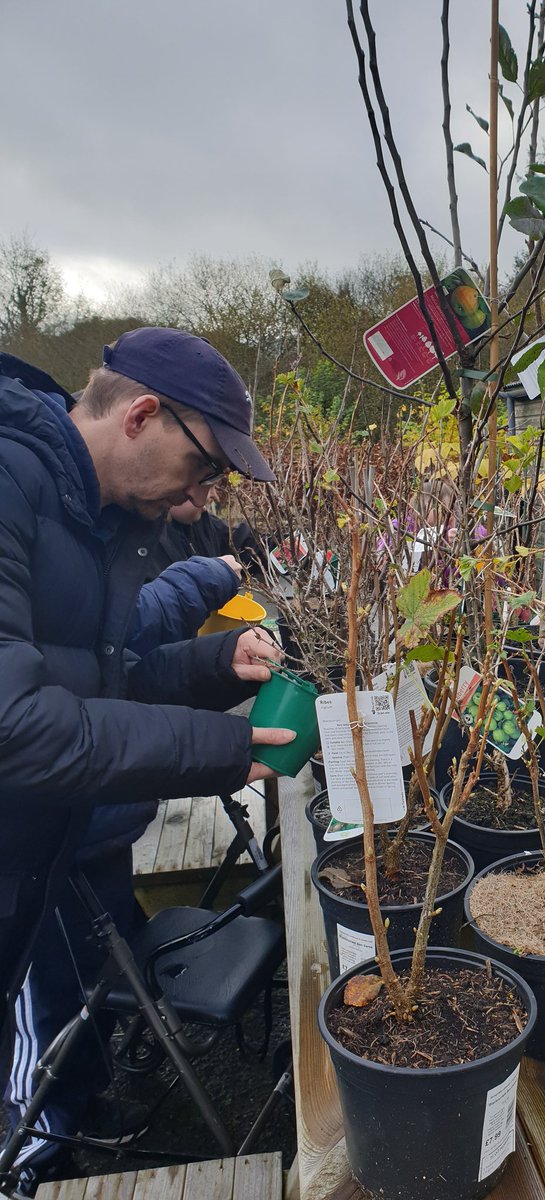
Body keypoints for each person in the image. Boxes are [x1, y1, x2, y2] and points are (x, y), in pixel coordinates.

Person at [0, 329, 295, 1181]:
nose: (199, 495)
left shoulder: (88, 515)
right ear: (141, 416)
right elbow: (18, 724)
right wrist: (216, 750)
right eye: (204, 468)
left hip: (37, 853)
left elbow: (101, 681)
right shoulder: (12, 490)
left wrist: (212, 667)